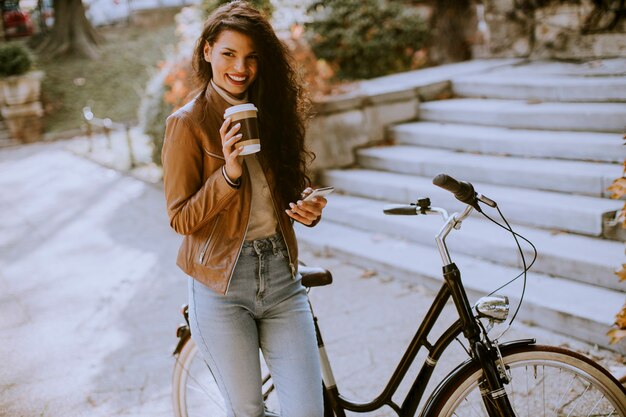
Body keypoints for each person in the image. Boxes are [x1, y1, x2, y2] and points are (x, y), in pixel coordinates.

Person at [161, 1, 328, 416]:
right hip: (221, 287)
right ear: (206, 52)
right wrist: (228, 174)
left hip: (281, 277)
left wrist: (307, 207)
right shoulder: (188, 123)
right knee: (248, 410)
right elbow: (180, 217)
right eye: (228, 54)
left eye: (252, 57)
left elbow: (287, 190)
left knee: (308, 411)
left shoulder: (272, 111)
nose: (241, 68)